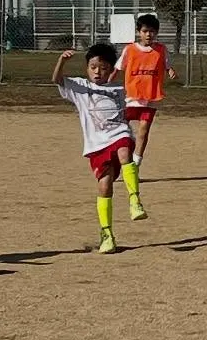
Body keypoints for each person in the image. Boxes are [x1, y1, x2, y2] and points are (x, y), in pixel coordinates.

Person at [54, 44, 145, 254]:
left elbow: (134, 107)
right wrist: (62, 61)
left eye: (103, 68)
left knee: (124, 151)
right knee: (104, 186)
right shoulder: (80, 88)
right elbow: (57, 80)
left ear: (111, 70)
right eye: (93, 67)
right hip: (97, 145)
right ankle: (107, 234)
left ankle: (135, 200)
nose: (97, 71)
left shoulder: (119, 90)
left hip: (119, 135)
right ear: (87, 68)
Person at [110, 13, 175, 175]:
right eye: (145, 31)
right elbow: (117, 68)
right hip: (131, 97)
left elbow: (167, 65)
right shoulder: (130, 50)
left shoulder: (160, 50)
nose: (148, 35)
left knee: (144, 130)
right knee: (121, 130)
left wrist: (171, 70)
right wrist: (107, 83)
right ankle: (118, 159)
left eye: (152, 31)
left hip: (150, 98)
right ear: (139, 32)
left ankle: (135, 164)